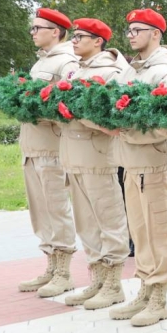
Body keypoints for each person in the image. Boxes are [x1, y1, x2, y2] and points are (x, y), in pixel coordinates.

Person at [107, 9, 167, 327]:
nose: (130, 35)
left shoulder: (164, 72)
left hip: (154, 162)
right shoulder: (133, 70)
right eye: (128, 30)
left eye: (137, 30)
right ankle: (144, 287)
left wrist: (127, 130)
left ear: (156, 34)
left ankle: (159, 297)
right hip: (131, 162)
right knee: (140, 233)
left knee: (156, 232)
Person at [60, 18, 131, 310]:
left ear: (98, 41)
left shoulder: (113, 72)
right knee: (86, 222)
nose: (74, 41)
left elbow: (109, 115)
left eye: (80, 36)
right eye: (74, 36)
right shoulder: (75, 70)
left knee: (108, 218)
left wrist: (76, 112)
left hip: (98, 156)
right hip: (73, 155)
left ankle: (114, 284)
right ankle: (97, 280)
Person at [17, 8, 80, 297]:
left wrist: (36, 108)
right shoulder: (40, 62)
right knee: (40, 211)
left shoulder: (67, 61)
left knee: (56, 207)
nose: (33, 32)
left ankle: (64, 271)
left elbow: (66, 105)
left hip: (52, 146)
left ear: (55, 31)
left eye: (37, 28)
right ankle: (51, 266)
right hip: (32, 147)